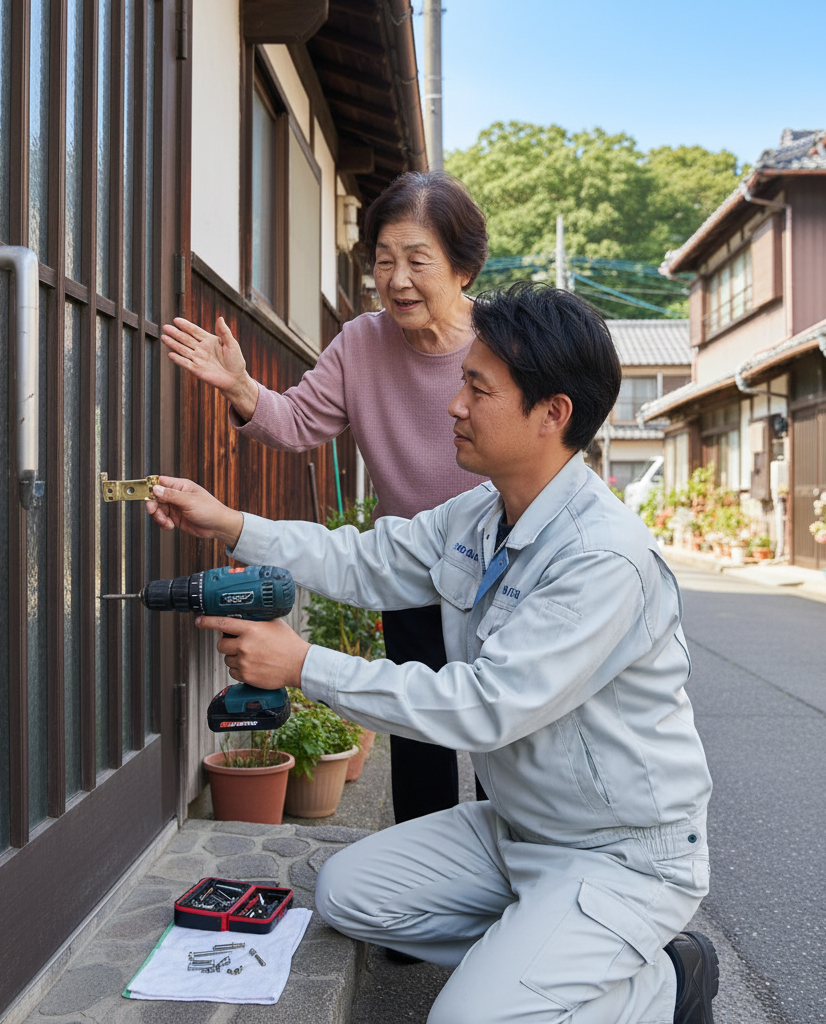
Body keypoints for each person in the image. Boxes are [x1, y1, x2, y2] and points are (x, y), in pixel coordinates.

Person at [146, 282, 718, 1024]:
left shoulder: (602, 559)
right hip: (517, 830)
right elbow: (365, 559)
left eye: (478, 389)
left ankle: (668, 983)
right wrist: (228, 521)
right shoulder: (482, 510)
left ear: (553, 414)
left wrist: (304, 665)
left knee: (462, 1019)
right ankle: (541, 960)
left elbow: (482, 709)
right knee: (352, 895)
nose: (454, 405)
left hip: (620, 854)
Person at [161, 171, 490, 825]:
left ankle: (516, 886)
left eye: (417, 260)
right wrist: (242, 388)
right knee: (418, 737)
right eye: (383, 261)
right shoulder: (363, 342)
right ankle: (425, 886)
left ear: (463, 268)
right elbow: (297, 421)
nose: (396, 280)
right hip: (410, 568)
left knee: (503, 740)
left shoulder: (506, 344)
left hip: (501, 571)